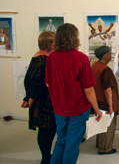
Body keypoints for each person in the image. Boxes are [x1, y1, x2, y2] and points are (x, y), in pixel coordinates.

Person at [45, 23, 102, 164]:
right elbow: (88, 89)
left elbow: (48, 83)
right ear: (74, 37)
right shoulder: (81, 58)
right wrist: (96, 109)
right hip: (78, 108)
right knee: (72, 144)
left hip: (59, 107)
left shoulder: (52, 57)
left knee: (61, 140)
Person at [22, 30, 56, 164]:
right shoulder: (43, 59)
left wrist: (28, 96)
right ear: (48, 44)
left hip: (41, 100)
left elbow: (27, 80)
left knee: (46, 130)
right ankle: (46, 158)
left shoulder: (38, 57)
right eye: (54, 42)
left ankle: (46, 156)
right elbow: (36, 81)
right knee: (47, 131)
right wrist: (30, 97)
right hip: (44, 102)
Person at [91, 46, 119, 155]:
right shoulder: (106, 70)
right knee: (108, 125)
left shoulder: (95, 65)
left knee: (100, 123)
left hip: (97, 100)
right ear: (106, 56)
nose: (111, 55)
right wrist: (111, 107)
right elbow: (108, 90)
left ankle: (99, 143)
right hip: (105, 102)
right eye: (110, 53)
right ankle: (105, 148)